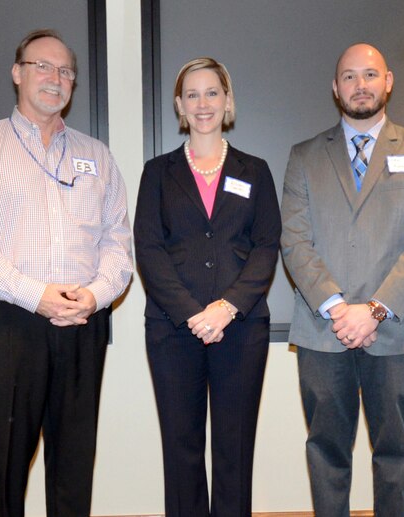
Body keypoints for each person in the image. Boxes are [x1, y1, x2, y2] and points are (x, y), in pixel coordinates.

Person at [0, 29, 133, 516]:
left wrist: (96, 295)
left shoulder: (97, 155)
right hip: (11, 321)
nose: (55, 78)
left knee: (74, 464)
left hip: (83, 322)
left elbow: (118, 241)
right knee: (4, 464)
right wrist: (36, 295)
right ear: (17, 73)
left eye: (65, 71)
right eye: (42, 66)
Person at [280, 43, 404, 516]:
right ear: (335, 88)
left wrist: (373, 311)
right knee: (326, 453)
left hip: (396, 330)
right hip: (323, 331)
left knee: (395, 455)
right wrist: (339, 309)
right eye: (349, 76)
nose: (360, 85)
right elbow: (295, 242)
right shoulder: (305, 156)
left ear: (388, 81)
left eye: (370, 75)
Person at [134, 57, 281, 516]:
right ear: (179, 105)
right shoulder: (157, 173)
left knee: (235, 450)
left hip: (241, 329)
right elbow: (149, 249)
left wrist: (227, 307)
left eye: (212, 92)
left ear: (228, 100)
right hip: (173, 329)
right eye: (192, 95)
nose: (203, 104)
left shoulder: (254, 170)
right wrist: (193, 313)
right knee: (181, 449)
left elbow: (266, 246)